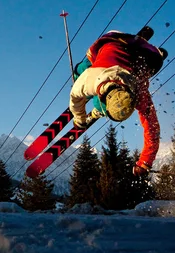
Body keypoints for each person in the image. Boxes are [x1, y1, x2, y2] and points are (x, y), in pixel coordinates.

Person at [70, 29, 167, 176]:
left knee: (85, 72)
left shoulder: (139, 93)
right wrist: (79, 119)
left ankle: (143, 43)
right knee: (81, 70)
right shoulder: (88, 78)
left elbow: (153, 129)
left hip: (137, 54)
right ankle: (99, 110)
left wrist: (146, 161)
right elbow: (75, 97)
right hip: (114, 45)